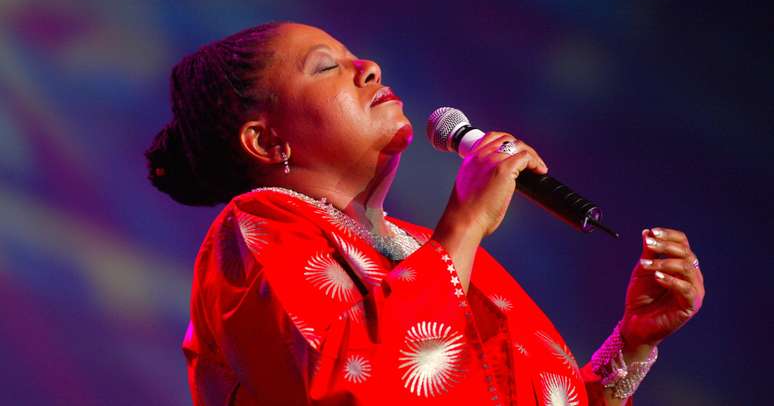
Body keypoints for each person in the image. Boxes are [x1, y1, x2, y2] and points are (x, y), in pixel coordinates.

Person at [145, 22, 705, 405]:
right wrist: (463, 224)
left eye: (352, 56)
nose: (368, 66)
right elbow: (362, 389)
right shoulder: (256, 229)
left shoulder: (430, 254)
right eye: (326, 68)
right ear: (266, 142)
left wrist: (631, 344)